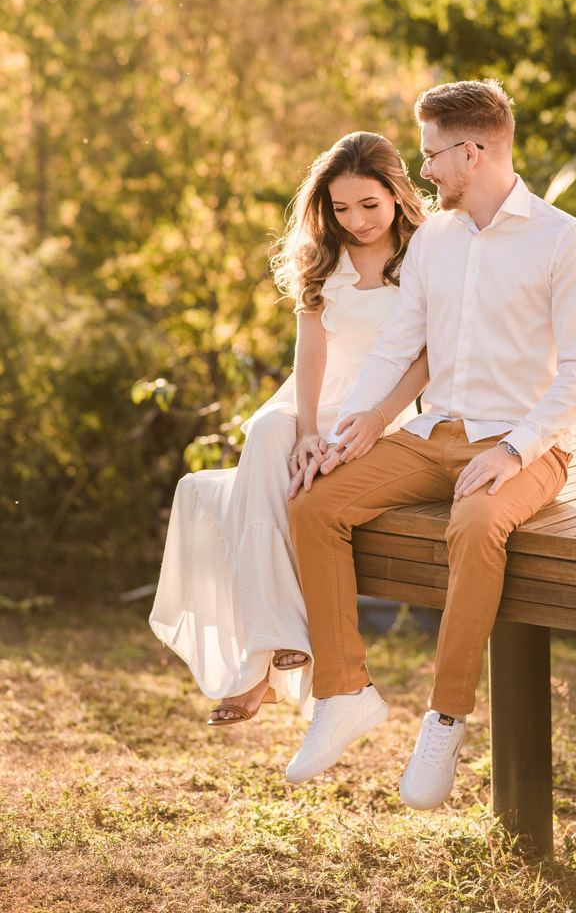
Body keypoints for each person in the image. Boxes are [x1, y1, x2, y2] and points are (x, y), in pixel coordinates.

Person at [286, 79, 576, 808]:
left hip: (526, 447)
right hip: (433, 436)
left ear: (473, 151)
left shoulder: (564, 242)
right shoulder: (432, 240)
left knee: (475, 523)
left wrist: (512, 450)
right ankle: (343, 691)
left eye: (432, 156)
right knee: (312, 503)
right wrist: (345, 432)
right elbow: (398, 345)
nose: (423, 172)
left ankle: (445, 717)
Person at [149, 132, 430, 726]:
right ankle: (271, 643)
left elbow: (431, 357)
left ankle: (259, 677)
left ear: (397, 195)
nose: (355, 220)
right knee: (267, 435)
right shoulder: (324, 259)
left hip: (383, 406)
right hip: (314, 399)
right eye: (341, 207)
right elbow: (311, 353)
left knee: (257, 490)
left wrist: (376, 421)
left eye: (369, 205)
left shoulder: (428, 253)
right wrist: (305, 430)